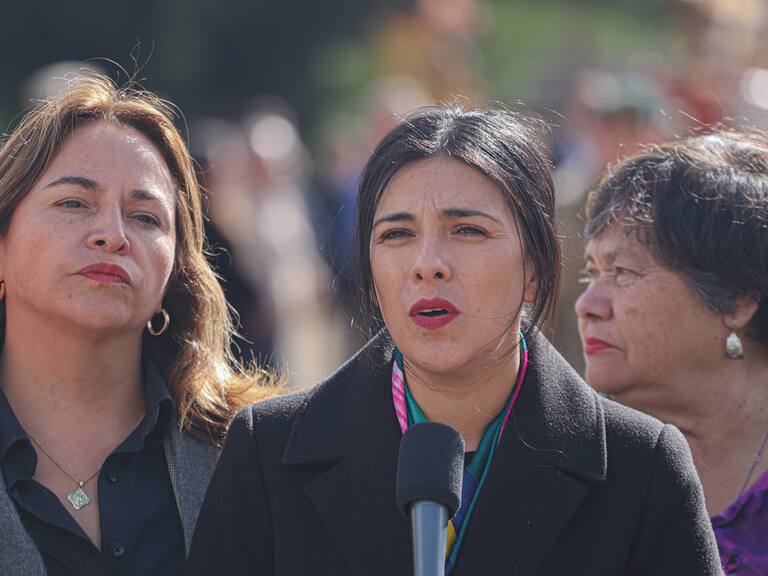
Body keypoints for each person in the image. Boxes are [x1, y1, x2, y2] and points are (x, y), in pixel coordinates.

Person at [187, 106, 721, 575]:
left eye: (467, 230)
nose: (428, 265)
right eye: (396, 234)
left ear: (536, 268)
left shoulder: (641, 466)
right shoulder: (267, 450)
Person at [0, 73, 277, 575]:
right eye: (73, 203)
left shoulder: (257, 452)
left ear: (175, 272)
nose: (112, 235)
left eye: (145, 217)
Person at [575, 130, 768, 575]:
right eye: (592, 273)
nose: (588, 305)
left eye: (623, 272)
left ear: (737, 300)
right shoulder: (573, 463)